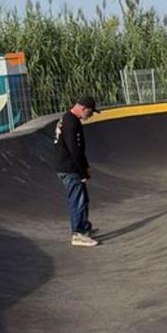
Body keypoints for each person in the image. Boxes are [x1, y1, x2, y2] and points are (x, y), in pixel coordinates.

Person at [54, 95, 99, 247]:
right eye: (90, 112)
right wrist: (83, 172)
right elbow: (75, 150)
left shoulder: (68, 118)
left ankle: (84, 227)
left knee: (83, 198)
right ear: (83, 108)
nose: (90, 115)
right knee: (77, 199)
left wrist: (85, 168)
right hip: (69, 167)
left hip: (70, 166)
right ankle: (77, 233)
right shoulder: (71, 122)